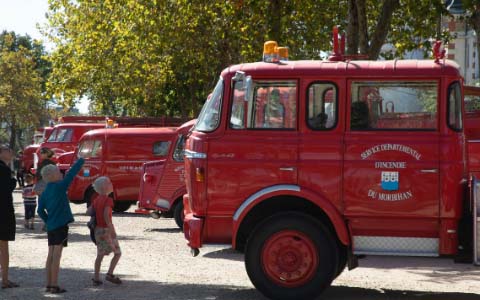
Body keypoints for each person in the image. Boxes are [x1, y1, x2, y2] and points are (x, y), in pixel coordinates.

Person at [37, 157, 84, 294]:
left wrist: (48, 221)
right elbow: (71, 174)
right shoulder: (60, 186)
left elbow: (40, 210)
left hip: (51, 226)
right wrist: (81, 161)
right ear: (52, 176)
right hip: (61, 226)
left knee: (50, 254)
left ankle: (48, 284)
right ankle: (54, 285)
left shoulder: (44, 193)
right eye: (58, 172)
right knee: (57, 255)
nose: (61, 174)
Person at [89, 176, 122, 286]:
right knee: (117, 253)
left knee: (100, 255)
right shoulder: (108, 200)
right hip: (106, 230)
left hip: (98, 230)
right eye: (110, 183)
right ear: (105, 187)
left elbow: (88, 211)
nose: (112, 184)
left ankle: (96, 278)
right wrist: (112, 229)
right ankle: (109, 274)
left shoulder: (96, 199)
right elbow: (106, 215)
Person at [0, 144, 19, 289]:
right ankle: (5, 279)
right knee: (3, 246)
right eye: (7, 149)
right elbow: (6, 189)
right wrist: (13, 181)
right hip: (3, 212)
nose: (10, 151)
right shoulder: (4, 170)